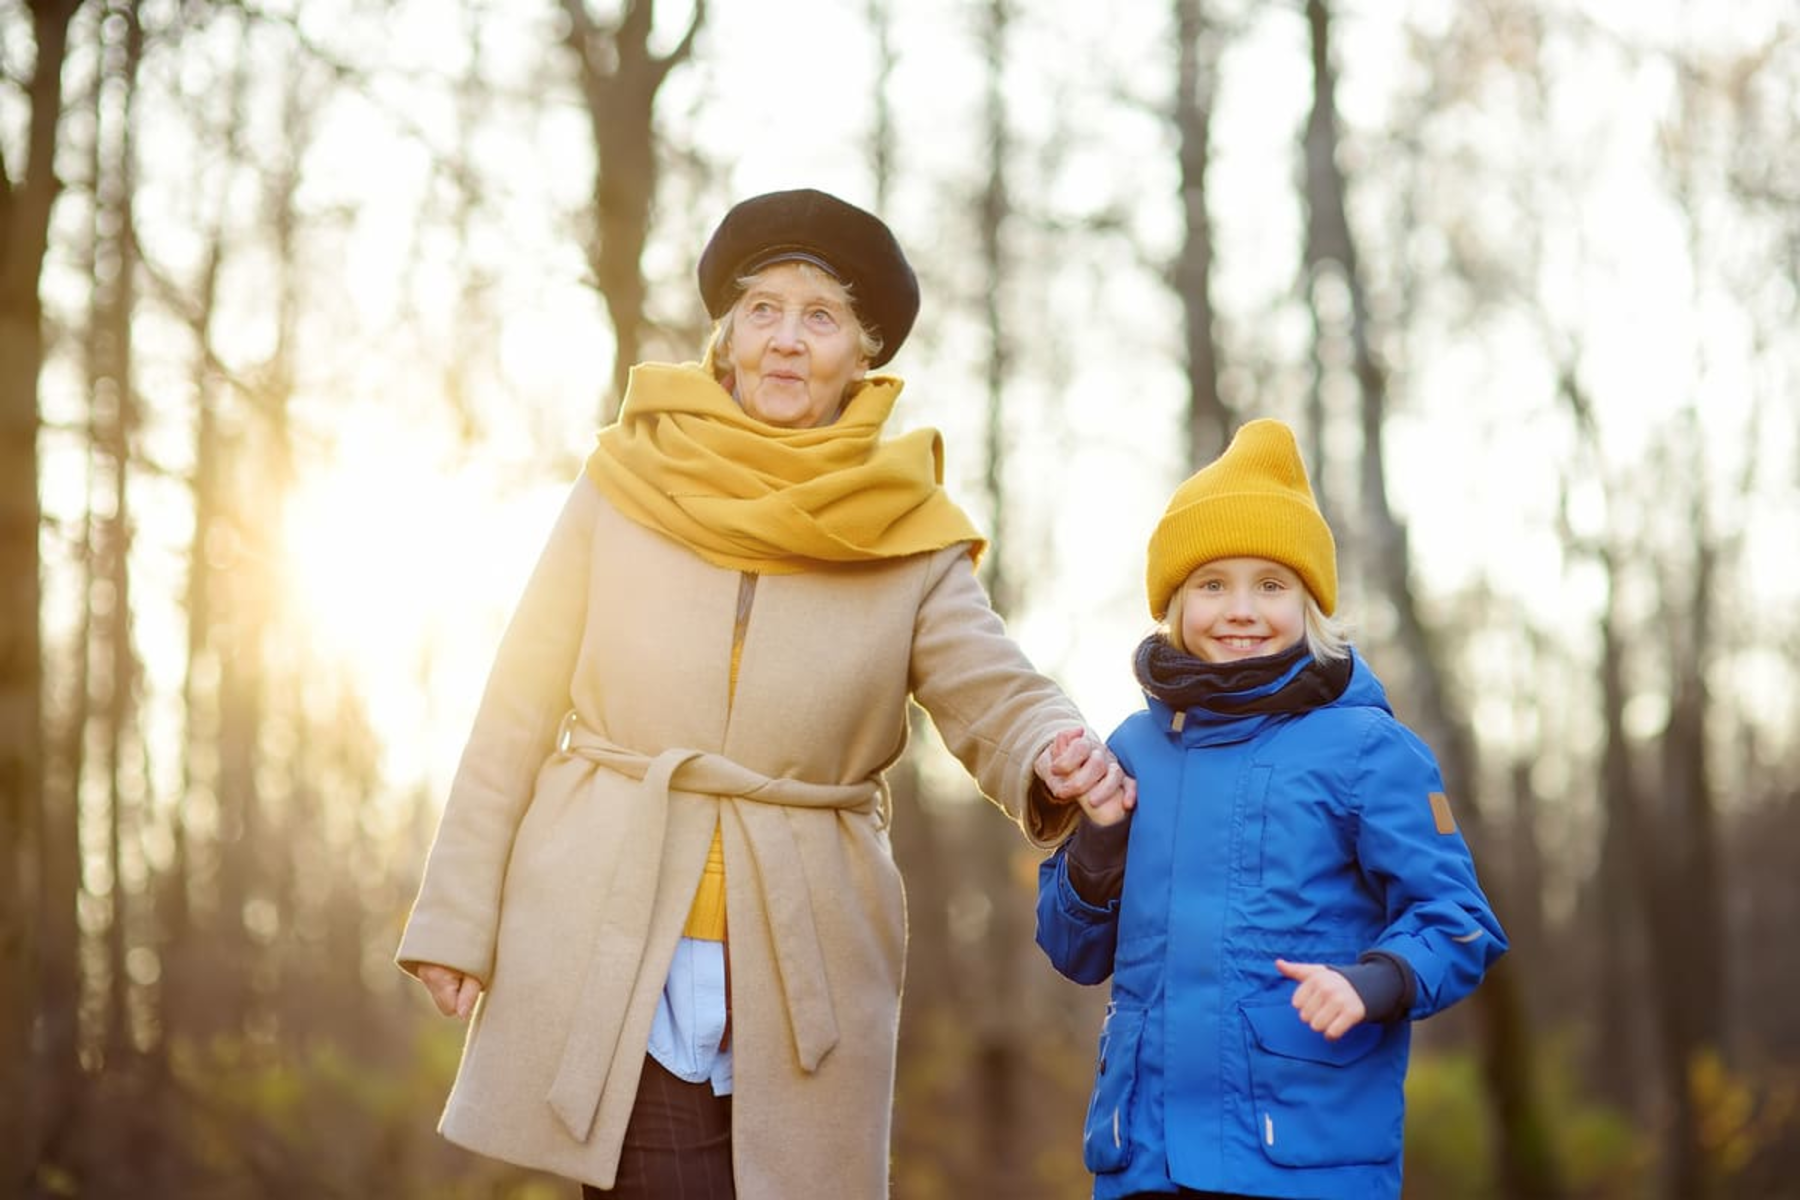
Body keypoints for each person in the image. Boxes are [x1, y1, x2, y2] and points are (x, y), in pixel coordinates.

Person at [395, 187, 1131, 1200]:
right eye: (764, 310)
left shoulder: (904, 527)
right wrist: (456, 916)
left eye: (821, 316)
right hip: (613, 934)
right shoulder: (623, 482)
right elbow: (518, 700)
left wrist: (1053, 744)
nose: (788, 340)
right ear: (729, 338)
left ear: (861, 353)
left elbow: (989, 683)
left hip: (800, 963)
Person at [1035, 418, 1507, 1200]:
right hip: (1141, 1159)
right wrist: (1101, 836)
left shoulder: (1368, 750)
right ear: (1176, 604)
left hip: (1301, 1159)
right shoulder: (1132, 748)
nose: (1241, 609)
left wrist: (1374, 980)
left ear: (1311, 603)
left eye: (1272, 584)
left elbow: (1459, 921)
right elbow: (1072, 951)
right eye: (1213, 584)